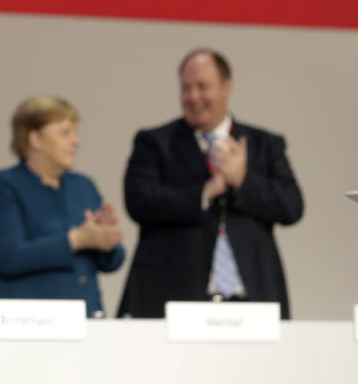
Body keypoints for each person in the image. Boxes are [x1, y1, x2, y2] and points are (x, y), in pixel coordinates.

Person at [118, 49, 304, 319]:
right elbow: (139, 201)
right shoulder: (155, 142)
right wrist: (204, 192)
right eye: (186, 88)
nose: (193, 97)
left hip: (252, 298)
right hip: (174, 296)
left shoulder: (263, 144)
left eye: (203, 86)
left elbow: (292, 207)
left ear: (227, 87)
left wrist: (243, 180)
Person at [0, 96, 125, 317]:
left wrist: (107, 242)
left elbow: (112, 262)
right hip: (27, 321)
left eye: (76, 133)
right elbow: (8, 257)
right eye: (65, 133)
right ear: (35, 138)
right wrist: (76, 240)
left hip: (86, 318)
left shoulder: (83, 186)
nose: (76, 141)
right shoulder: (6, 184)